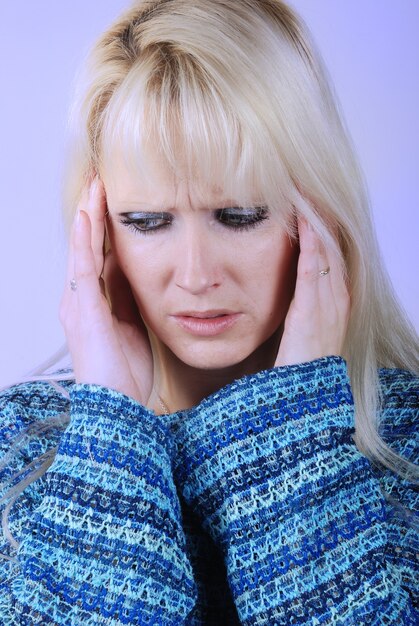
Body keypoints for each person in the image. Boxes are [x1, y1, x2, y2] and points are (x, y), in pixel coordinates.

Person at [0, 0, 417, 624]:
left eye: (239, 215)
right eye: (147, 222)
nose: (195, 276)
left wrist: (295, 432)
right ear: (101, 232)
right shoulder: (20, 450)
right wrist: (110, 429)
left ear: (320, 217)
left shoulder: (405, 441)